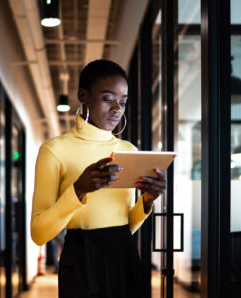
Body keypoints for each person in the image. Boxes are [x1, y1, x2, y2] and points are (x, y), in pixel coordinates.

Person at [30, 59, 166, 298]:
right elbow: (39, 233)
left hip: (123, 255)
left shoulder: (129, 151)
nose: (117, 109)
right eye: (107, 99)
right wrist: (78, 190)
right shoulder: (54, 150)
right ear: (83, 96)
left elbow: (127, 225)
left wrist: (147, 201)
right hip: (80, 258)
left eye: (123, 102)